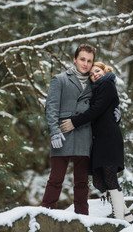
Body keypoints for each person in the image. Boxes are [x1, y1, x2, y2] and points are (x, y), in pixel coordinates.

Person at [60, 62, 133, 223]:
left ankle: (119, 218)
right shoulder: (96, 90)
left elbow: (97, 110)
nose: (95, 75)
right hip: (99, 139)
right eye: (92, 74)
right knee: (99, 181)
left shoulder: (107, 84)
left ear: (105, 70)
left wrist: (74, 122)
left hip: (109, 138)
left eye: (97, 71)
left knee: (109, 176)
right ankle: (126, 214)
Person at [41, 44, 96, 215]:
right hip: (63, 134)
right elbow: (51, 107)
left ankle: (82, 220)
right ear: (74, 59)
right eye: (82, 59)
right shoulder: (60, 79)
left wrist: (115, 112)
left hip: (84, 136)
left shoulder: (95, 83)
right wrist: (54, 131)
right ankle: (45, 216)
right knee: (56, 179)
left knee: (81, 183)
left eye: (89, 61)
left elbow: (102, 106)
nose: (85, 64)